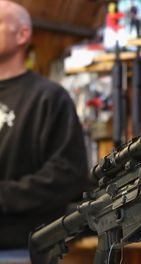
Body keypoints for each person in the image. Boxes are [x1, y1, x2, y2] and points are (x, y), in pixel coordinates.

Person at [0, 1, 88, 248]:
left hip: (21, 252)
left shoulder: (49, 98)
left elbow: (67, 174)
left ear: (22, 34)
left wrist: (5, 196)